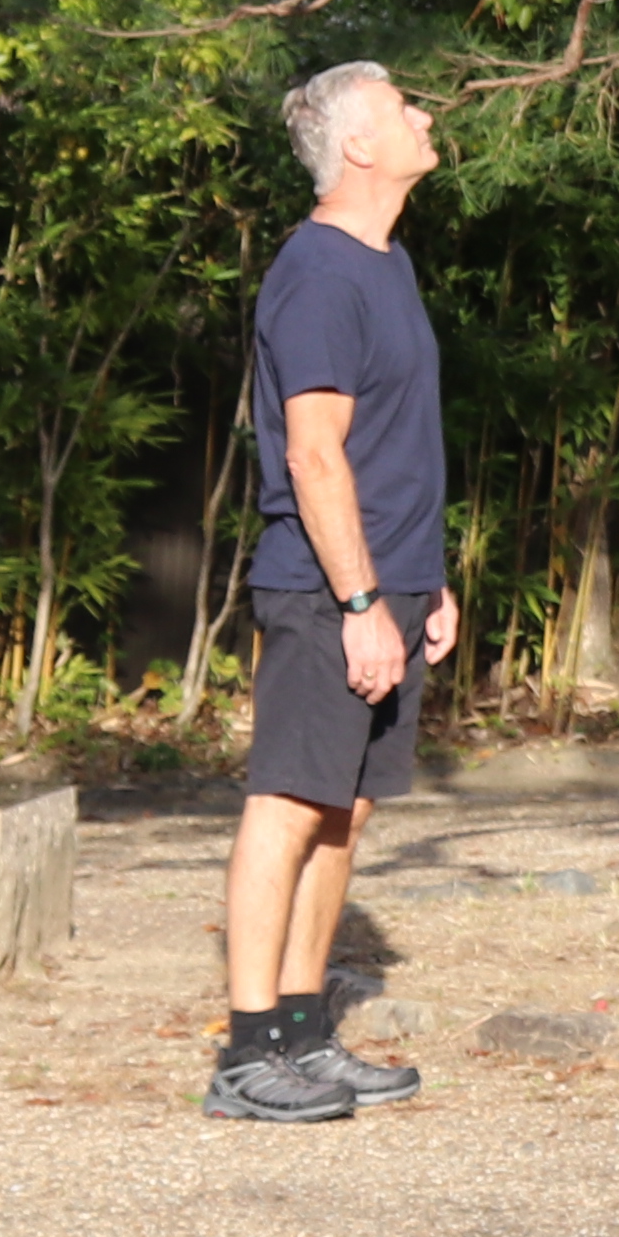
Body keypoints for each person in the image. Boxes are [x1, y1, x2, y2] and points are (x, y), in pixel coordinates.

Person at [208, 60, 459, 1125]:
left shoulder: (386, 260)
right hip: (324, 593)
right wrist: (359, 604)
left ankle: (307, 1033)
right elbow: (314, 457)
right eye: (406, 105)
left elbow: (394, 443)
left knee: (342, 811)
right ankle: (247, 1054)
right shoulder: (316, 272)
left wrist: (422, 583)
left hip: (389, 583)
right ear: (359, 144)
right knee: (287, 804)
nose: (425, 113)